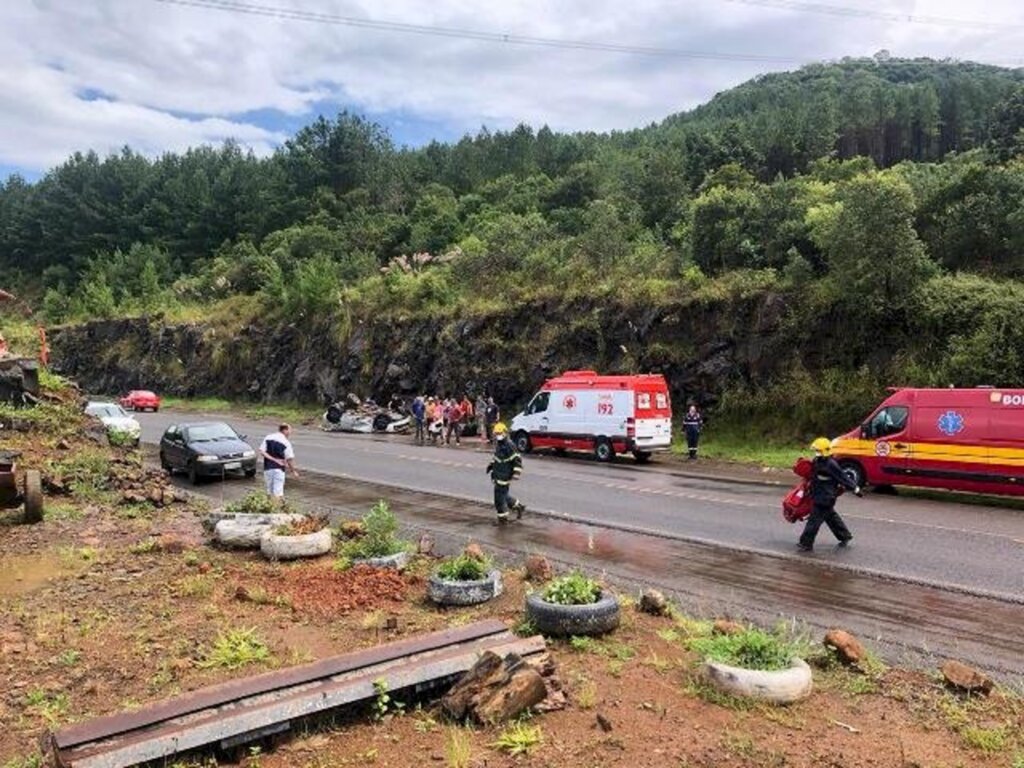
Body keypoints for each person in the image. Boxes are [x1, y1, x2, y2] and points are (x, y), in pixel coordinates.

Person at [798, 437, 860, 552]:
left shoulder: (831, 464)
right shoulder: (817, 461)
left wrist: (855, 488)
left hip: (825, 497)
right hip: (819, 495)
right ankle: (844, 535)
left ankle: (805, 543)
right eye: (816, 450)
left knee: (814, 521)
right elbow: (812, 475)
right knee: (830, 516)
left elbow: (843, 477)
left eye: (818, 450)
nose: (816, 453)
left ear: (824, 451)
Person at [486, 423, 526, 523]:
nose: (497, 435)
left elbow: (517, 460)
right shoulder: (500, 444)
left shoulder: (509, 445)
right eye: (496, 434)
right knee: (503, 496)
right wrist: (491, 465)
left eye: (499, 433)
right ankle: (518, 506)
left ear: (504, 433)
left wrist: (516, 473)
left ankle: (503, 520)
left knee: (499, 500)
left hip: (504, 476)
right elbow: (497, 458)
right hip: (498, 475)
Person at [259, 423, 299, 499]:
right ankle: (277, 509)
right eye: (289, 430)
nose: (290, 432)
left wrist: (273, 459)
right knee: (278, 493)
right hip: (279, 469)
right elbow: (289, 459)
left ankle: (268, 507)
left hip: (267, 469)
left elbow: (262, 451)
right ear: (285, 430)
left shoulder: (268, 437)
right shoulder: (285, 442)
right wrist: (293, 471)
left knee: (269, 491)